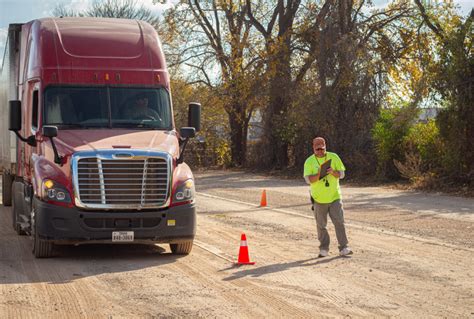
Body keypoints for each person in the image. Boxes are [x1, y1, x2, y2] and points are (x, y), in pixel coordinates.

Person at [304, 137, 352, 257]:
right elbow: (308, 180)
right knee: (321, 225)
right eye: (318, 148)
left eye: (322, 148)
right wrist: (320, 174)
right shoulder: (309, 161)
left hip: (335, 196)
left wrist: (332, 172)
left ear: (325, 145)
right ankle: (324, 248)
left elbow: (341, 175)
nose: (320, 150)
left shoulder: (334, 157)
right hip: (319, 199)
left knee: (339, 222)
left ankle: (344, 247)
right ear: (313, 147)